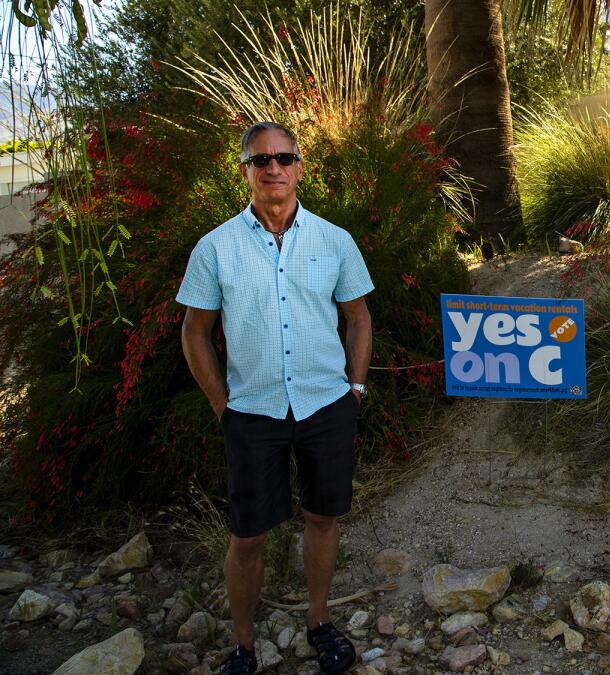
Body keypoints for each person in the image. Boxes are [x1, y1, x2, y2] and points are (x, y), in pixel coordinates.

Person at [178, 121, 374, 675]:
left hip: (325, 406)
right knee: (246, 536)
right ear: (244, 170)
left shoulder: (335, 241)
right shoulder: (215, 248)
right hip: (252, 412)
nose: (273, 169)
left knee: (322, 518)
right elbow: (194, 333)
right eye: (260, 160)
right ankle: (243, 645)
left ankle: (317, 622)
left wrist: (354, 389)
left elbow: (358, 318)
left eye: (283, 158)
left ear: (300, 167)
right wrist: (223, 405)